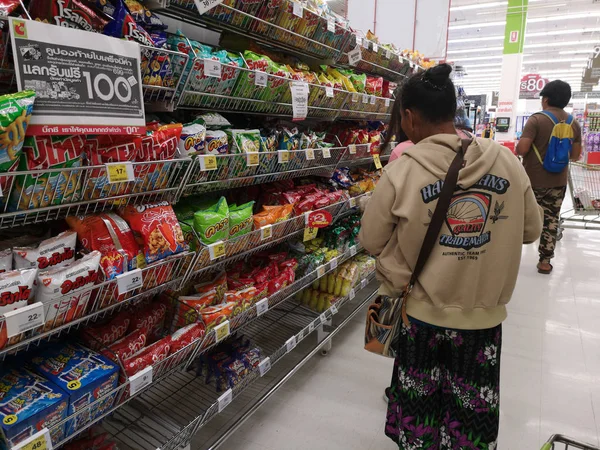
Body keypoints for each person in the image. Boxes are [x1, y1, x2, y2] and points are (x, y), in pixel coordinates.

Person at [358, 64, 543, 449]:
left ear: (408, 117)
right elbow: (531, 231)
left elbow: (371, 240)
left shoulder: (402, 171)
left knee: (420, 416)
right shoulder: (506, 161)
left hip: (421, 318)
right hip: (483, 322)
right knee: (470, 420)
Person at [516, 80, 582, 274]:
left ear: (545, 99)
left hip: (532, 181)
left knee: (522, 217)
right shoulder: (573, 123)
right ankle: (545, 261)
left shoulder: (536, 120)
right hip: (558, 181)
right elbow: (576, 155)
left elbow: (523, 149)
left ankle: (511, 257)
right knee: (551, 219)